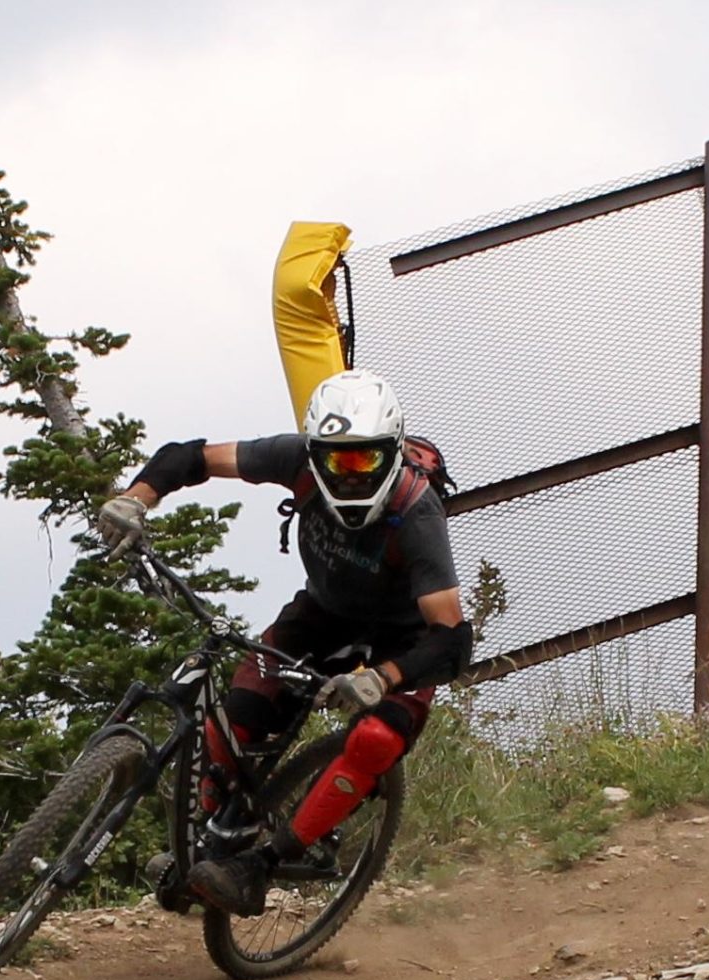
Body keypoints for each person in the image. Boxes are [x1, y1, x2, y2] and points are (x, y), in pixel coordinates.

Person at [95, 369, 470, 915]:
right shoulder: (293, 458)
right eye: (337, 461)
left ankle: (259, 868)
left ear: (390, 454)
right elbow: (191, 457)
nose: (350, 476)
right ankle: (209, 846)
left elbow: (452, 640)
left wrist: (382, 678)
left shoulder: (416, 516)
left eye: (364, 460)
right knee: (236, 716)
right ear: (314, 454)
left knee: (374, 741)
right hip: (324, 612)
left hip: (403, 636)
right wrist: (135, 498)